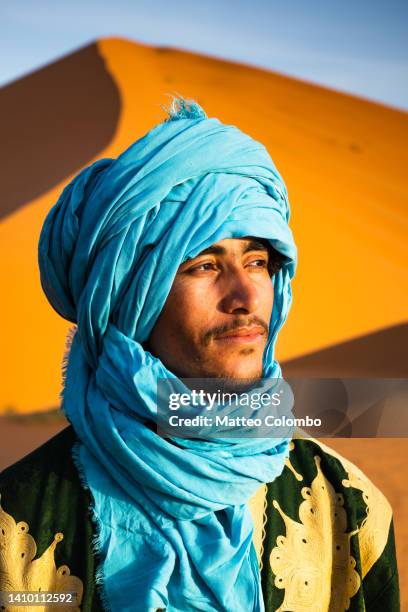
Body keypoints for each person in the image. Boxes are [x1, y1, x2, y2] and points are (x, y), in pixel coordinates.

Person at [0, 98, 399, 611]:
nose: (247, 298)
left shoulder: (345, 506)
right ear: (130, 299)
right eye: (204, 266)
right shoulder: (16, 528)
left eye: (257, 262)